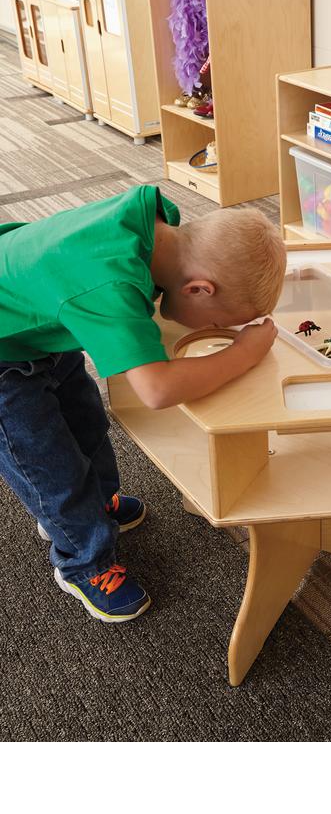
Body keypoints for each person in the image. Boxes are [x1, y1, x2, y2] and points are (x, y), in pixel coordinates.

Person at [0, 186, 286, 621]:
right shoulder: (110, 283)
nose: (214, 329)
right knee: (46, 465)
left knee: (87, 422)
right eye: (215, 322)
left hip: (35, 325)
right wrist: (244, 353)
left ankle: (96, 504)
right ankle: (83, 561)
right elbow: (157, 390)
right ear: (198, 288)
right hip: (5, 357)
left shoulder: (156, 225)